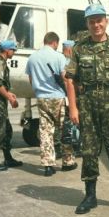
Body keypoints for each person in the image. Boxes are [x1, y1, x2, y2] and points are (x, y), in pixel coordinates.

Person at [64, 3, 109, 214]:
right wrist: (73, 108)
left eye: (99, 20)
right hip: (87, 107)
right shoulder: (79, 48)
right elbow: (70, 80)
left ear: (106, 21)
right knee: (88, 151)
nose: (96, 25)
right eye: (91, 21)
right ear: (87, 24)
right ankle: (90, 196)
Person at [25, 33, 77, 176]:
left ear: (45, 41)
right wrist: (70, 96)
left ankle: (48, 165)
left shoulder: (32, 57)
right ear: (55, 42)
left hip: (41, 98)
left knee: (45, 131)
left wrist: (39, 91)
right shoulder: (58, 57)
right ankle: (67, 161)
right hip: (58, 97)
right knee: (65, 130)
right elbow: (65, 79)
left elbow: (30, 78)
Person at [0, 40, 23, 171]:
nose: (14, 52)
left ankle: (8, 158)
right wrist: (9, 98)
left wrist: (9, 94)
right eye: (13, 50)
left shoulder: (1, 63)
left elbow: (0, 85)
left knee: (6, 131)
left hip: (0, 103)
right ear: (7, 50)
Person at [61, 39, 82, 158]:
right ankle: (76, 146)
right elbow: (67, 80)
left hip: (66, 96)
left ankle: (73, 145)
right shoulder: (69, 62)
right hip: (71, 96)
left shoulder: (62, 60)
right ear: (70, 49)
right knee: (74, 122)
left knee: (69, 122)